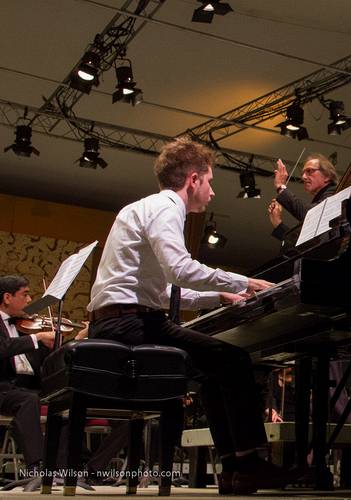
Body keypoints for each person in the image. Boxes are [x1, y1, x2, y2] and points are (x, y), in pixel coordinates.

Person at [86, 137, 291, 495]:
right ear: (193, 179)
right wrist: (241, 280)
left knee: (212, 375)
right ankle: (249, 463)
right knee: (234, 360)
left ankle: (234, 469)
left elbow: (162, 291)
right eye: (210, 182)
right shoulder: (167, 208)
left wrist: (218, 296)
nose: (212, 192)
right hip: (132, 323)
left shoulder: (142, 208)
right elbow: (180, 270)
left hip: (115, 319)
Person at [0, 275, 55, 474]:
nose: (30, 300)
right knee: (27, 400)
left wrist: (52, 345)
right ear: (7, 297)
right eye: (25, 294)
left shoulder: (24, 327)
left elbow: (45, 364)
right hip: (4, 389)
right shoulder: (29, 335)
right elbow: (4, 347)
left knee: (64, 404)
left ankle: (67, 468)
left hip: (27, 387)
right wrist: (38, 337)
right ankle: (37, 467)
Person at [268, 154, 338, 248]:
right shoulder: (319, 201)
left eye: (309, 171)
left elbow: (311, 214)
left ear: (327, 176)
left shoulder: (334, 194)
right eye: (303, 173)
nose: (303, 177)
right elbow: (302, 246)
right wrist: (277, 223)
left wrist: (281, 186)